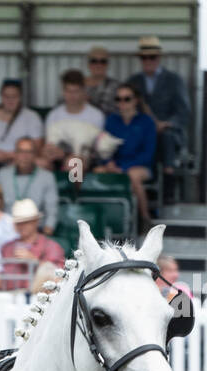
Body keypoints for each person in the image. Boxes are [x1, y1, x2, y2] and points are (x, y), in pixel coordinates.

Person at [125, 36, 190, 175]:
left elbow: (184, 112)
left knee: (166, 139)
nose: (148, 61)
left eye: (152, 57)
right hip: (141, 131)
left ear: (159, 58)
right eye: (144, 58)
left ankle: (168, 184)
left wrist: (166, 124)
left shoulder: (174, 80)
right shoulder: (133, 81)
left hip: (167, 134)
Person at [97, 83, 157, 228]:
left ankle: (144, 219)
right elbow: (104, 147)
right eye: (118, 99)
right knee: (94, 173)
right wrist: (108, 162)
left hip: (141, 167)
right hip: (115, 166)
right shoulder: (111, 121)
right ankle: (104, 220)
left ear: (135, 100)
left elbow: (148, 154)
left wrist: (123, 168)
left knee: (132, 175)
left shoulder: (147, 122)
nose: (122, 103)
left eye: (127, 99)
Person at [44, 69, 106, 170]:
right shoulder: (53, 115)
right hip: (58, 161)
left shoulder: (96, 116)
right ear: (63, 91)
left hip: (87, 162)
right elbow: (49, 146)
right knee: (41, 163)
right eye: (68, 91)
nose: (72, 95)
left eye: (76, 91)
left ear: (83, 91)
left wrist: (67, 155)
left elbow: (97, 150)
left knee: (73, 163)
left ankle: (72, 186)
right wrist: (51, 152)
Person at [0, 198, 65, 291]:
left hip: (40, 298)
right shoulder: (6, 248)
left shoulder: (52, 247)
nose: (21, 226)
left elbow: (60, 277)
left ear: (36, 222)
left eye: (26, 222)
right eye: (18, 223)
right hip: (7, 297)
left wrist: (34, 261)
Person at [0, 137, 59, 234]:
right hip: (7, 230)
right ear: (15, 154)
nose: (25, 156)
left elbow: (52, 210)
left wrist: (46, 235)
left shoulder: (47, 177)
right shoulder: (2, 175)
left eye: (29, 152)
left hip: (36, 231)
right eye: (20, 151)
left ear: (35, 155)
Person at [84, 46, 120, 115]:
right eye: (94, 61)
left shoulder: (116, 86)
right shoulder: (78, 85)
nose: (98, 65)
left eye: (103, 61)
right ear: (88, 64)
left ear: (107, 64)